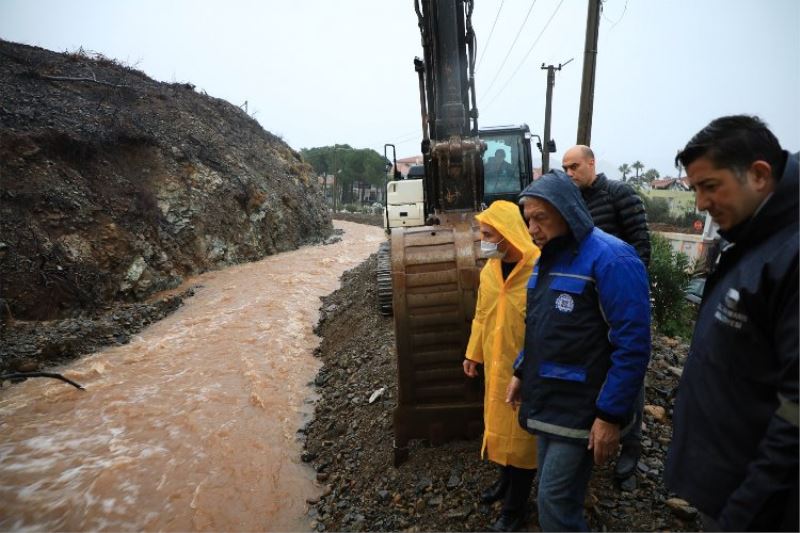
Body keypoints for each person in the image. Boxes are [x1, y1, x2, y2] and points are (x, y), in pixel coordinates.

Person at [664, 115, 799, 531]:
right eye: (695, 190)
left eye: (710, 186)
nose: (701, 204)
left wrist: (744, 512)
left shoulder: (789, 255)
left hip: (759, 508)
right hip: (730, 491)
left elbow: (795, 412)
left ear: (758, 174)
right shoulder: (752, 239)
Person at [506, 170, 650, 531]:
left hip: (584, 405)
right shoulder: (548, 257)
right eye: (528, 220)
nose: (533, 229)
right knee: (556, 495)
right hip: (551, 399)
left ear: (567, 210)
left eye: (540, 218)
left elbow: (632, 345)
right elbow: (541, 325)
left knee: (553, 500)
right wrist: (521, 370)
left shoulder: (613, 259)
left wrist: (610, 415)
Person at [562, 144, 651, 483]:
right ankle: (595, 431)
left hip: (620, 300)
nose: (570, 173)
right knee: (596, 365)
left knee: (629, 367)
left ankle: (632, 443)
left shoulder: (619, 194)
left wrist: (627, 298)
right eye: (566, 169)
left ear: (591, 163)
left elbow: (641, 247)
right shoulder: (573, 203)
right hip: (587, 306)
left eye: (575, 167)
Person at [464, 199, 541, 532]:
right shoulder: (489, 272)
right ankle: (504, 483)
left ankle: (515, 509)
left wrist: (525, 371)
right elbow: (481, 316)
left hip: (525, 373)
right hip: (495, 368)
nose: (481, 240)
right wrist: (472, 354)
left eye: (486, 234)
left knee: (523, 441)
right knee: (497, 428)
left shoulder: (538, 270)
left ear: (507, 235)